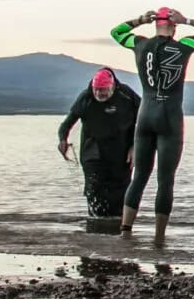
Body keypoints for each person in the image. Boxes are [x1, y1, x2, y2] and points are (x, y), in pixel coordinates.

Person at [110, 7, 194, 241]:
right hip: (170, 118)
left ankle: (125, 232)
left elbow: (116, 32)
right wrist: (188, 20)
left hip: (145, 116)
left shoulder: (140, 44)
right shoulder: (184, 46)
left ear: (155, 24)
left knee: (139, 177)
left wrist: (139, 20)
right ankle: (159, 237)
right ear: (174, 26)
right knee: (165, 180)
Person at [58, 67, 141, 225]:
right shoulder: (86, 98)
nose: (98, 94)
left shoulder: (126, 95)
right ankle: (95, 225)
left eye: (103, 90)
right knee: (94, 189)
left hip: (122, 151)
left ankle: (117, 230)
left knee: (119, 195)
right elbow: (66, 124)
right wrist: (62, 140)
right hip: (93, 151)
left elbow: (144, 120)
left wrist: (134, 146)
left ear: (112, 86)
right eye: (96, 90)